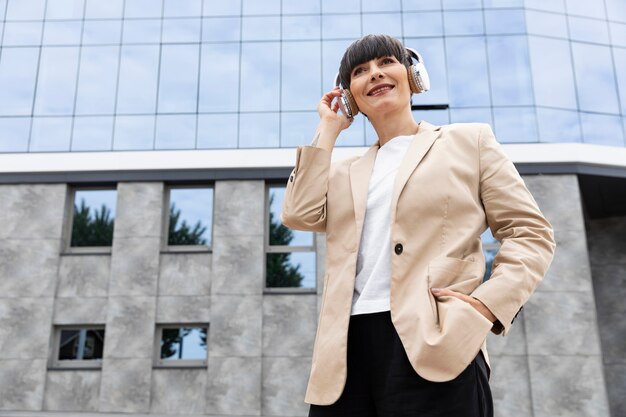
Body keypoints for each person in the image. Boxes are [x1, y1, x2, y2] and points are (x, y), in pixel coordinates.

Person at [281, 34, 556, 417]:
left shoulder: (469, 141)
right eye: (360, 72)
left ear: (413, 75)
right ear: (350, 96)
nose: (374, 74)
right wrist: (328, 129)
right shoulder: (344, 170)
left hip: (435, 341)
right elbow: (299, 213)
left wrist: (486, 306)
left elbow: (529, 232)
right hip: (345, 355)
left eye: (385, 63)